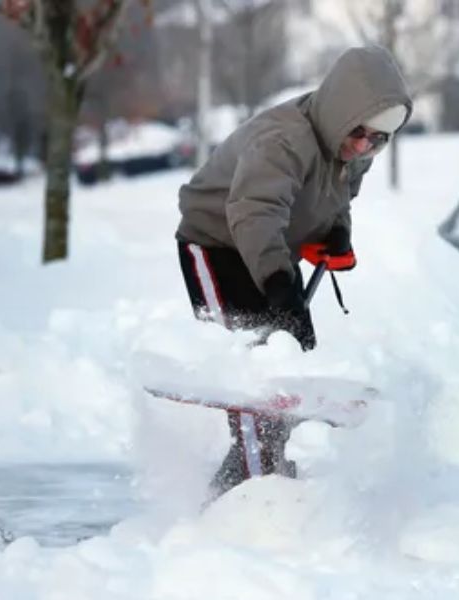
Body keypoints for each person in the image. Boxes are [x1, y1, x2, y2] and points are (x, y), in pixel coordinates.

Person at [173, 45, 411, 496]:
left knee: (283, 358)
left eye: (378, 139)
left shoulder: (355, 145)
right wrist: (281, 285)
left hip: (271, 250)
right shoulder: (283, 141)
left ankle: (247, 479)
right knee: (251, 370)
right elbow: (255, 211)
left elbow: (341, 192)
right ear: (341, 113)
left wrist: (337, 230)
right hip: (217, 244)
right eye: (359, 133)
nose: (365, 146)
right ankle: (259, 494)